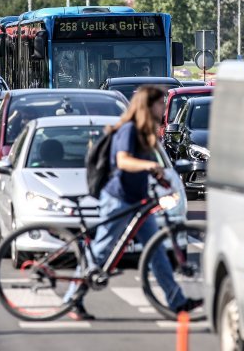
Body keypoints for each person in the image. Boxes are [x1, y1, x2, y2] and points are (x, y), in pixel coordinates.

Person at [65, 85, 201, 320]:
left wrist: (159, 177)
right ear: (147, 106)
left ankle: (178, 302)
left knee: (156, 252)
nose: (163, 108)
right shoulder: (128, 130)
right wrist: (150, 166)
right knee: (101, 251)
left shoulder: (144, 132)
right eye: (160, 104)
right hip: (119, 199)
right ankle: (72, 299)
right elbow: (124, 161)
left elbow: (140, 166)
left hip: (138, 202)